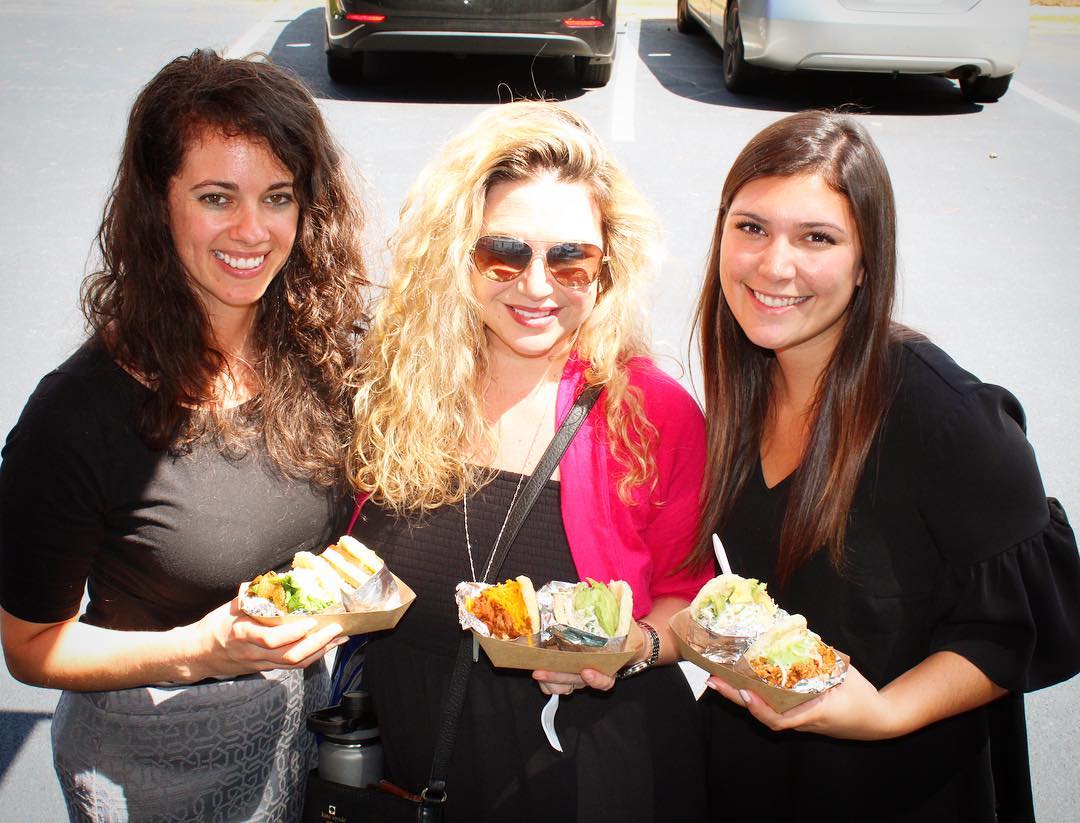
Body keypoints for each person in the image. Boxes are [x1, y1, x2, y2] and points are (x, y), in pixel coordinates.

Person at [0, 50, 369, 822]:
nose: (252, 230)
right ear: (156, 204)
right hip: (151, 763)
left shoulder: (321, 352)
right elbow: (31, 646)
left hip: (297, 735)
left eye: (278, 197)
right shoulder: (76, 415)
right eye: (215, 196)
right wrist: (198, 648)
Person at [692, 110, 1080, 821]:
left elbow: (1019, 621)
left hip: (902, 786)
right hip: (755, 775)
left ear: (867, 259)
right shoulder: (746, 378)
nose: (775, 265)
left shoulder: (946, 416)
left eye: (817, 237)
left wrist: (884, 712)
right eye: (752, 227)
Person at [346, 101, 711, 820]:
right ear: (457, 253)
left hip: (592, 784)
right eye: (503, 253)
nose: (538, 286)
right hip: (418, 773)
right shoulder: (393, 390)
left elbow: (692, 599)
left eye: (570, 259)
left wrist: (635, 645)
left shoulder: (651, 410)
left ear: (606, 269)